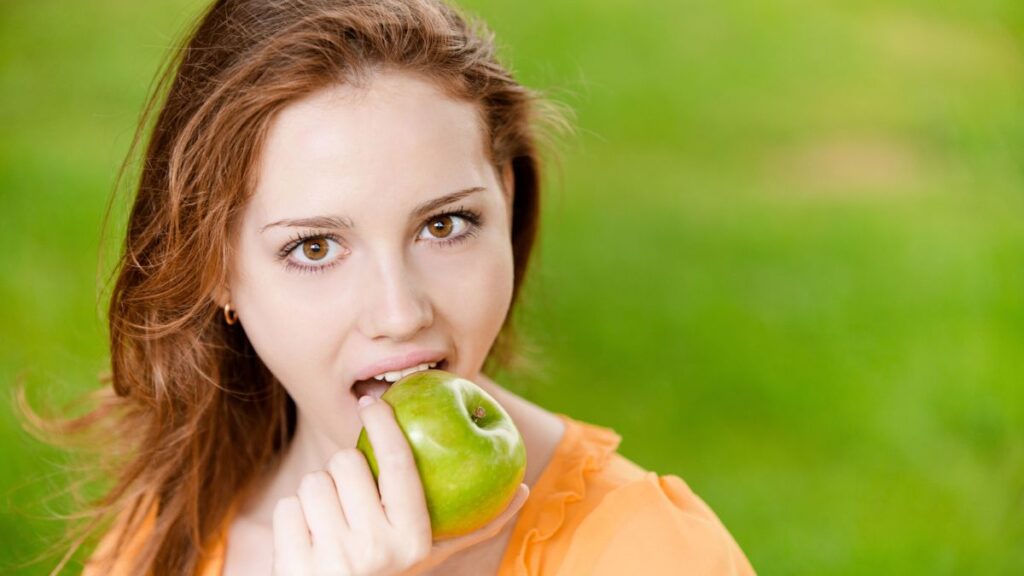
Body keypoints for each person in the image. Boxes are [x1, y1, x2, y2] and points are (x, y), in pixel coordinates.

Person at [60, 0, 757, 574]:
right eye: (315, 247)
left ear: (506, 199)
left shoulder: (652, 555)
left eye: (445, 224)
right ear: (216, 272)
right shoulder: (166, 536)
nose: (399, 314)